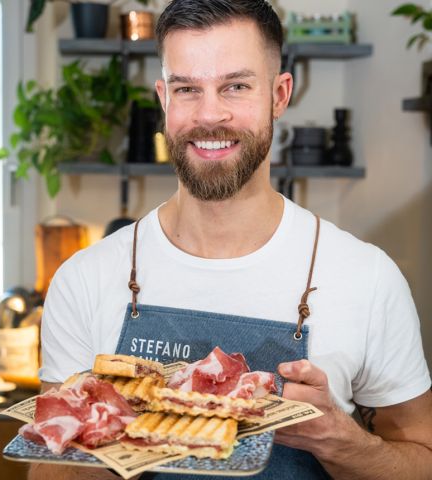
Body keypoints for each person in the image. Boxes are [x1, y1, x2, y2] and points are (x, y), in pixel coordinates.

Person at [30, 1, 432, 479]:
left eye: (236, 86)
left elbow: (421, 461)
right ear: (164, 99)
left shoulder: (366, 278)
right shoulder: (85, 279)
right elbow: (48, 471)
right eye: (187, 89)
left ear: (279, 95)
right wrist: (106, 422)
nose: (210, 114)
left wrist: (341, 442)